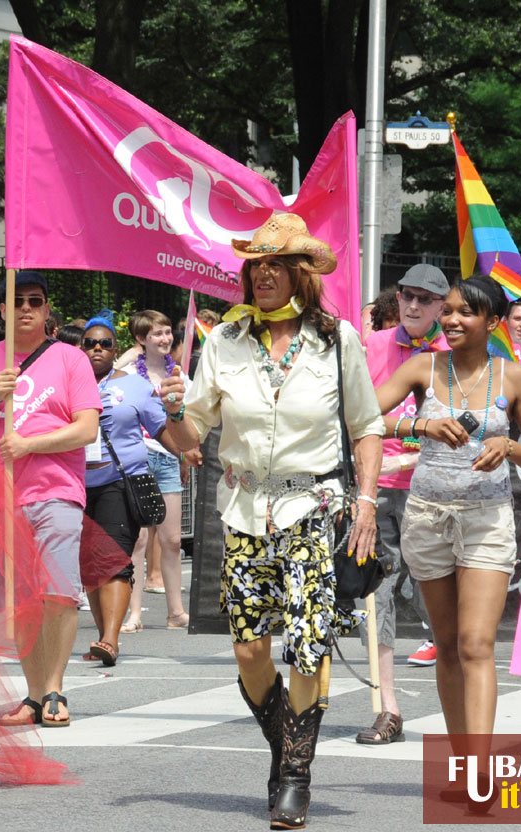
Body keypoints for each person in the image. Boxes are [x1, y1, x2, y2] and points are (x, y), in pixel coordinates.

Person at [159, 211, 383, 828]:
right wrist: (174, 410)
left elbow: (367, 427)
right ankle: (289, 743)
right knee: (250, 649)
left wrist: (365, 501)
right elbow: (191, 437)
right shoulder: (224, 343)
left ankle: (294, 777)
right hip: (243, 510)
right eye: (256, 264)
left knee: (307, 648)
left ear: (302, 274)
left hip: (314, 508)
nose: (263, 274)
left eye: (277, 264)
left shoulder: (339, 341)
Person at [374, 275, 521, 808]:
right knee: (447, 647)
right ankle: (463, 763)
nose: (451, 319)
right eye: (447, 310)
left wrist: (509, 447)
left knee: (477, 644)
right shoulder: (422, 367)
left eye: (464, 313)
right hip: (426, 518)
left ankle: (481, 771)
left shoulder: (513, 376)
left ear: (492, 322)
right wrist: (418, 428)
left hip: (486, 519)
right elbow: (362, 416)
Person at [0, 269, 101, 728]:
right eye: (16, 300)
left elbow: (87, 427)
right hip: (3, 498)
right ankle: (35, 695)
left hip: (58, 491)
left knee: (58, 592)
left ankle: (56, 687)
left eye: (34, 301)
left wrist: (29, 445)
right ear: (2, 309)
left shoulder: (70, 359)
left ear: (46, 309)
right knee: (22, 601)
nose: (25, 309)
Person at [358, 264, 451, 745]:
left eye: (425, 298)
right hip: (377, 485)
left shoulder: (455, 354)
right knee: (376, 595)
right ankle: (386, 707)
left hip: (435, 490)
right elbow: (353, 415)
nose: (413, 305)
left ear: (441, 305)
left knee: (435, 596)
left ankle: (462, 709)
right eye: (406, 296)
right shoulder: (370, 346)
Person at [78, 318, 172, 665]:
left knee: (115, 561)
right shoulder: (68, 386)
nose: (97, 349)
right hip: (77, 485)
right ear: (81, 349)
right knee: (89, 566)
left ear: (115, 349)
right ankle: (103, 637)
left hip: (120, 481)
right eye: (90, 343)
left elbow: (161, 428)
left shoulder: (135, 386)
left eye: (104, 343)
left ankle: (110, 639)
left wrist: (185, 450)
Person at [122, 309, 191, 631]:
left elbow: (188, 422)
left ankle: (176, 613)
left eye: (167, 332)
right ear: (140, 340)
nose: (165, 339)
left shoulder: (179, 373)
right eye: (156, 334)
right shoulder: (126, 374)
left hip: (168, 459)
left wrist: (186, 454)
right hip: (137, 459)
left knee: (173, 540)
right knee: (137, 540)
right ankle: (133, 613)